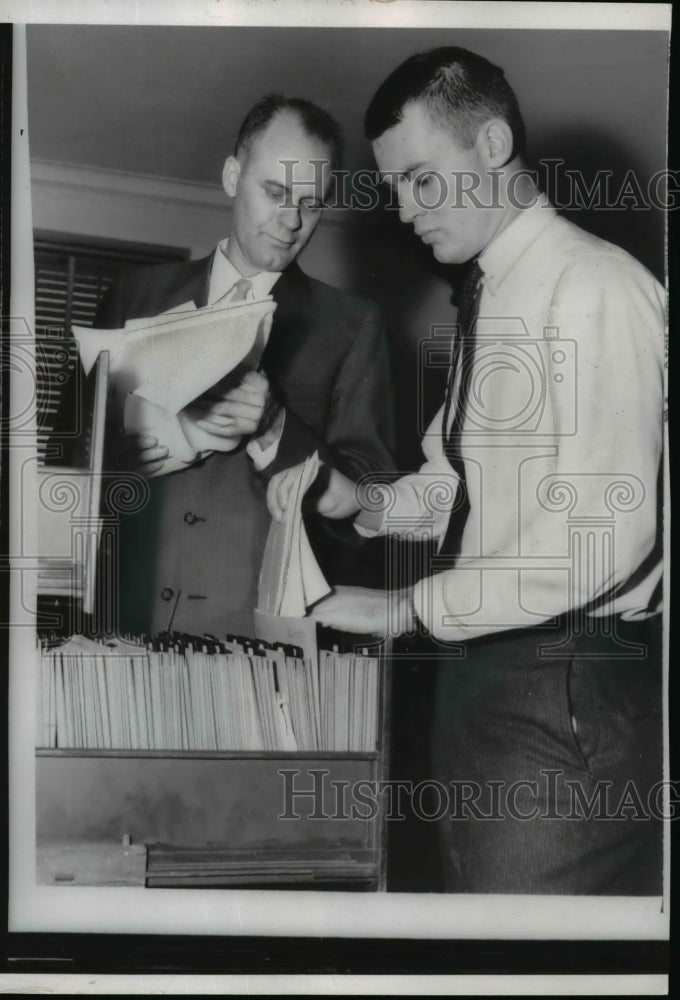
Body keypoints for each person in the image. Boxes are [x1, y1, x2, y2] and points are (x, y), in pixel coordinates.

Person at [268, 48, 665, 894]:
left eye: (420, 179)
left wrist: (406, 605)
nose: (406, 211)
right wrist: (354, 498)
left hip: (563, 683)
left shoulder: (594, 286)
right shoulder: (495, 294)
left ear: (490, 145)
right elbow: (450, 489)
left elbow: (602, 537)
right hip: (490, 671)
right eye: (395, 189)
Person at [94, 95, 394, 637]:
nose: (291, 221)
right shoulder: (131, 296)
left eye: (311, 202)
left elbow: (369, 503)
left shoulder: (353, 325)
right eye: (275, 192)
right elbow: (62, 467)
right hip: (122, 623)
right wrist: (116, 456)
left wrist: (278, 426)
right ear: (233, 176)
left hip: (257, 640)